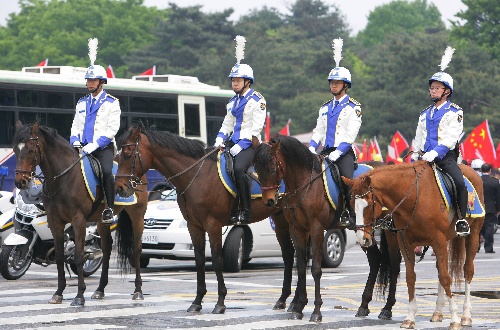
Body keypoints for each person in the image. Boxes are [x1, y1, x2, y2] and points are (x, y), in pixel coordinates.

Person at [411, 46, 469, 236]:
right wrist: (416, 154)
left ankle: (461, 219)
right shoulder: (424, 114)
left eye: (437, 88)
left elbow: (452, 137)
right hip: (424, 158)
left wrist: (435, 153)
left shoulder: (455, 112)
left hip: (445, 159)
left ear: (447, 91)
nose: (433, 91)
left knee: (460, 184)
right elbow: (419, 137)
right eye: (432, 88)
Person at [309, 38, 362, 230]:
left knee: (346, 180)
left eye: (337, 83)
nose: (333, 85)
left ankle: (350, 213)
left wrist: (337, 153)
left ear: (345, 85)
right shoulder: (324, 108)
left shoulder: (353, 107)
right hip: (325, 151)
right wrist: (312, 148)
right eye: (331, 82)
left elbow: (349, 137)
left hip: (343, 153)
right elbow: (318, 131)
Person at [214, 36, 266, 224]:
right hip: (232, 142)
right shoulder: (232, 102)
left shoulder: (257, 100)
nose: (234, 83)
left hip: (249, 145)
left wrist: (241, 145)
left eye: (238, 80)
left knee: (238, 169)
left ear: (247, 82)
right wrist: (219, 139)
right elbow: (227, 124)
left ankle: (246, 209)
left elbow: (256, 128)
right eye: (233, 80)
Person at [70, 38, 121, 224]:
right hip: (80, 148)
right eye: (88, 80)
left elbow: (112, 129)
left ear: (101, 82)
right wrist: (75, 140)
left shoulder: (112, 103)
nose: (89, 83)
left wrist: (95, 145)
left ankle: (109, 208)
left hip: (102, 149)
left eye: (92, 80)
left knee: (106, 171)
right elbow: (75, 125)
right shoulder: (81, 102)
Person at [479, 163, 500, 253]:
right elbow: (498, 197)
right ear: (490, 170)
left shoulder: (477, 180)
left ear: (481, 170)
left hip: (478, 207)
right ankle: (488, 248)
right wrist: (498, 209)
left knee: (477, 228)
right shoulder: (494, 182)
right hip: (491, 208)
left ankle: (476, 247)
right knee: (489, 228)